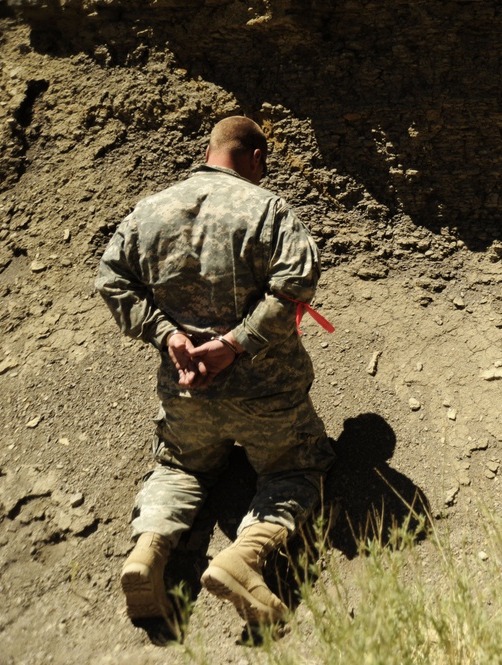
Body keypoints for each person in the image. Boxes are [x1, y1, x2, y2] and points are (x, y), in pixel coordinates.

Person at [96, 116, 337, 625]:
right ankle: (243, 557)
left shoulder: (149, 212)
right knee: (296, 468)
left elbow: (113, 281)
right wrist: (235, 343)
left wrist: (168, 334)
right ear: (254, 158)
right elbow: (296, 288)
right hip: (266, 395)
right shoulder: (268, 210)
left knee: (180, 468)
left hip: (186, 393)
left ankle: (147, 553)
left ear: (210, 151)